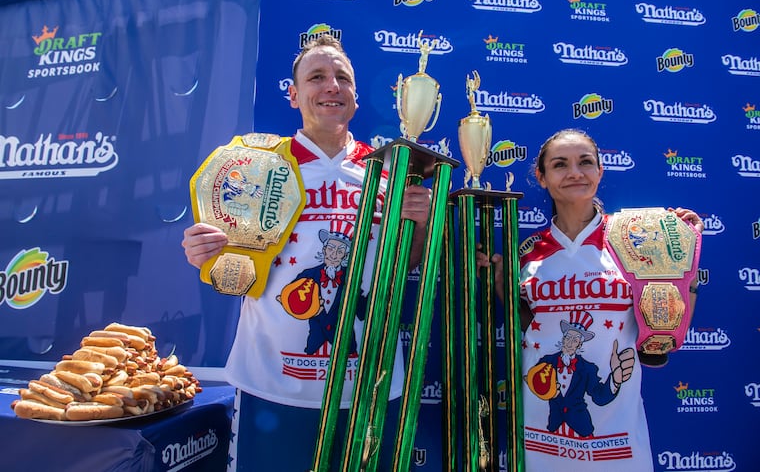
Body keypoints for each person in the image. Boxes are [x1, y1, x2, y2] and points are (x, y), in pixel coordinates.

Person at [182, 34, 431, 471]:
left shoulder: (388, 171)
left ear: (355, 97)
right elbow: (233, 271)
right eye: (316, 77)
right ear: (294, 95)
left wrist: (421, 225)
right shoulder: (257, 166)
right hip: (273, 388)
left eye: (342, 78)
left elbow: (404, 266)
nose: (331, 86)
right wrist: (206, 252)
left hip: (368, 388)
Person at [477, 128, 703, 472]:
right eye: (560, 165)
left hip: (618, 435)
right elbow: (529, 328)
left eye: (585, 162)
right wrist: (500, 287)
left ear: (600, 171)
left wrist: (683, 256)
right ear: (541, 177)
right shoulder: (526, 255)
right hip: (542, 429)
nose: (575, 173)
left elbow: (665, 338)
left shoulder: (641, 239)